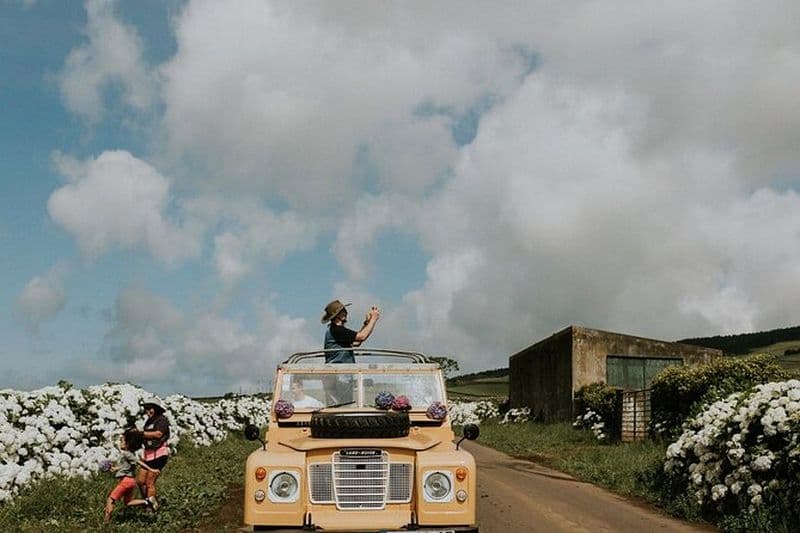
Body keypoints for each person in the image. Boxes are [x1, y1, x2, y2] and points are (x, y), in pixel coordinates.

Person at [104, 428, 159, 524]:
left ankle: (106, 523)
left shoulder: (127, 454)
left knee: (110, 500)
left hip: (125, 481)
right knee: (128, 502)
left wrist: (151, 469)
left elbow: (139, 462)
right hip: (130, 482)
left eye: (122, 441)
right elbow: (125, 466)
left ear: (127, 444)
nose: (120, 442)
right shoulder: (129, 454)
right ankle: (147, 501)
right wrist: (115, 469)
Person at [135, 397, 170, 511]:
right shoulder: (149, 421)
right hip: (148, 454)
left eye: (150, 408)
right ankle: (147, 501)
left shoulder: (162, 420)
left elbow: (158, 434)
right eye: (146, 409)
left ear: (156, 409)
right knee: (140, 481)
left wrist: (140, 434)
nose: (147, 411)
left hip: (159, 454)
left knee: (149, 482)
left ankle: (151, 508)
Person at [321, 299, 380, 363]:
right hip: (339, 370)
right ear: (337, 315)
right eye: (343, 310)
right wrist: (374, 318)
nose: (346, 312)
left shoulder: (334, 329)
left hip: (341, 370)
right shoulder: (337, 330)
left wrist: (367, 322)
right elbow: (362, 336)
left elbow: (357, 343)